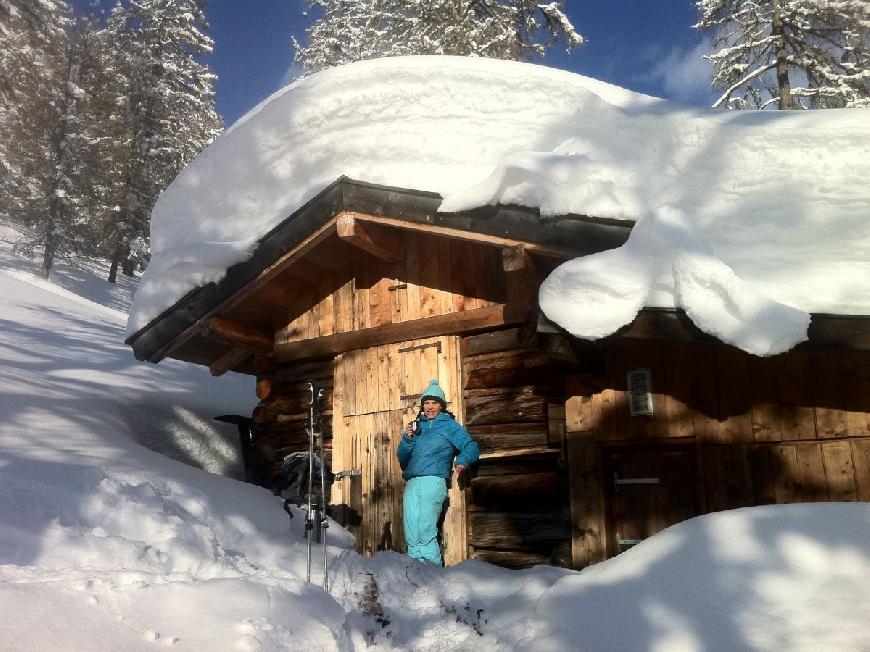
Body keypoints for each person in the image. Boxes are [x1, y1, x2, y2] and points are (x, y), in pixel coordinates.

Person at [396, 379, 479, 566]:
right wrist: (407, 439)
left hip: (433, 481)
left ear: (441, 405)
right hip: (412, 482)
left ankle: (433, 574)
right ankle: (413, 574)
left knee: (425, 532)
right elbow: (401, 457)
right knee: (411, 532)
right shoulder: (418, 426)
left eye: (434, 403)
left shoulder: (449, 426)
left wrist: (463, 460)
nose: (430, 407)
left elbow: (471, 446)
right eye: (426, 403)